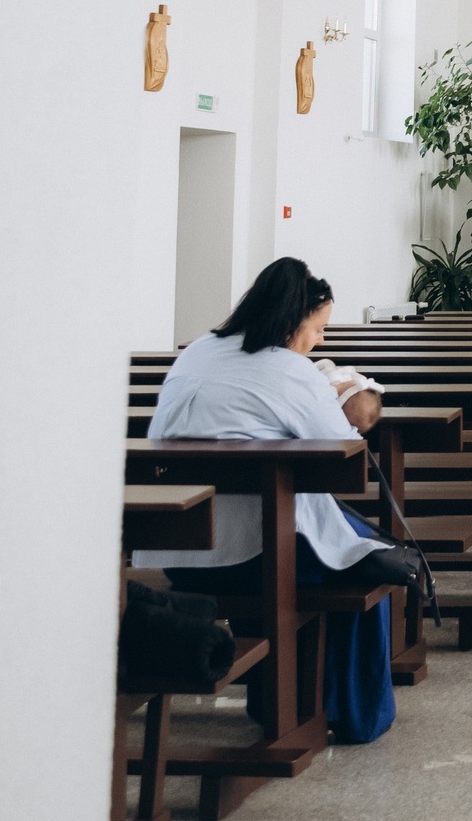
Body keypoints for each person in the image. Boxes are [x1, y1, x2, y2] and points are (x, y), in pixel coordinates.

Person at [133, 257, 405, 742]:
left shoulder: (196, 352)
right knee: (365, 555)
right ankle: (357, 716)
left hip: (178, 548)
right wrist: (338, 392)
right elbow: (344, 456)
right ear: (294, 320)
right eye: (319, 328)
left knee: (313, 538)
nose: (320, 340)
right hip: (259, 554)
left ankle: (280, 696)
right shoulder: (292, 370)